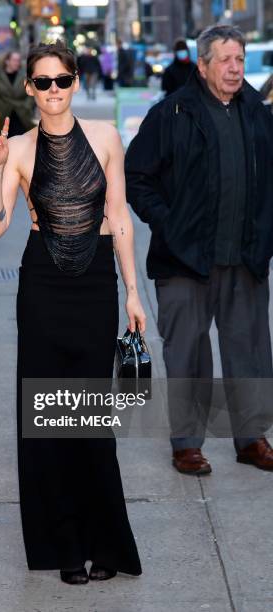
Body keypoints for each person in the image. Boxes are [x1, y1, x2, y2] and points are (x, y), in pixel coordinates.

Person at [0, 40, 145, 585]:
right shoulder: (21, 149)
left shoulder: (106, 137)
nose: (53, 91)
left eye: (62, 80)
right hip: (44, 289)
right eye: (42, 82)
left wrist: (132, 292)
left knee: (92, 422)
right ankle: (66, 545)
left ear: (76, 81)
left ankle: (106, 543)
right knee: (51, 422)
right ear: (29, 87)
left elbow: (119, 217)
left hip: (96, 283)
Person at [125, 25, 273, 475]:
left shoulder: (258, 114)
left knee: (249, 351)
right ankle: (187, 444)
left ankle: (251, 438)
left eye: (240, 59)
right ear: (203, 64)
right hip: (185, 260)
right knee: (187, 351)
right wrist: (168, 225)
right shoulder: (171, 114)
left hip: (244, 259)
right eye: (225, 59)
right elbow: (137, 177)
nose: (234, 68)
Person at [0, 51, 34, 138]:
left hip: (21, 116)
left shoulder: (24, 77)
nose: (17, 63)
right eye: (14, 60)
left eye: (18, 60)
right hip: (1, 115)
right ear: (7, 61)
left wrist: (27, 106)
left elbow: (32, 92)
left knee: (22, 143)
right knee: (0, 143)